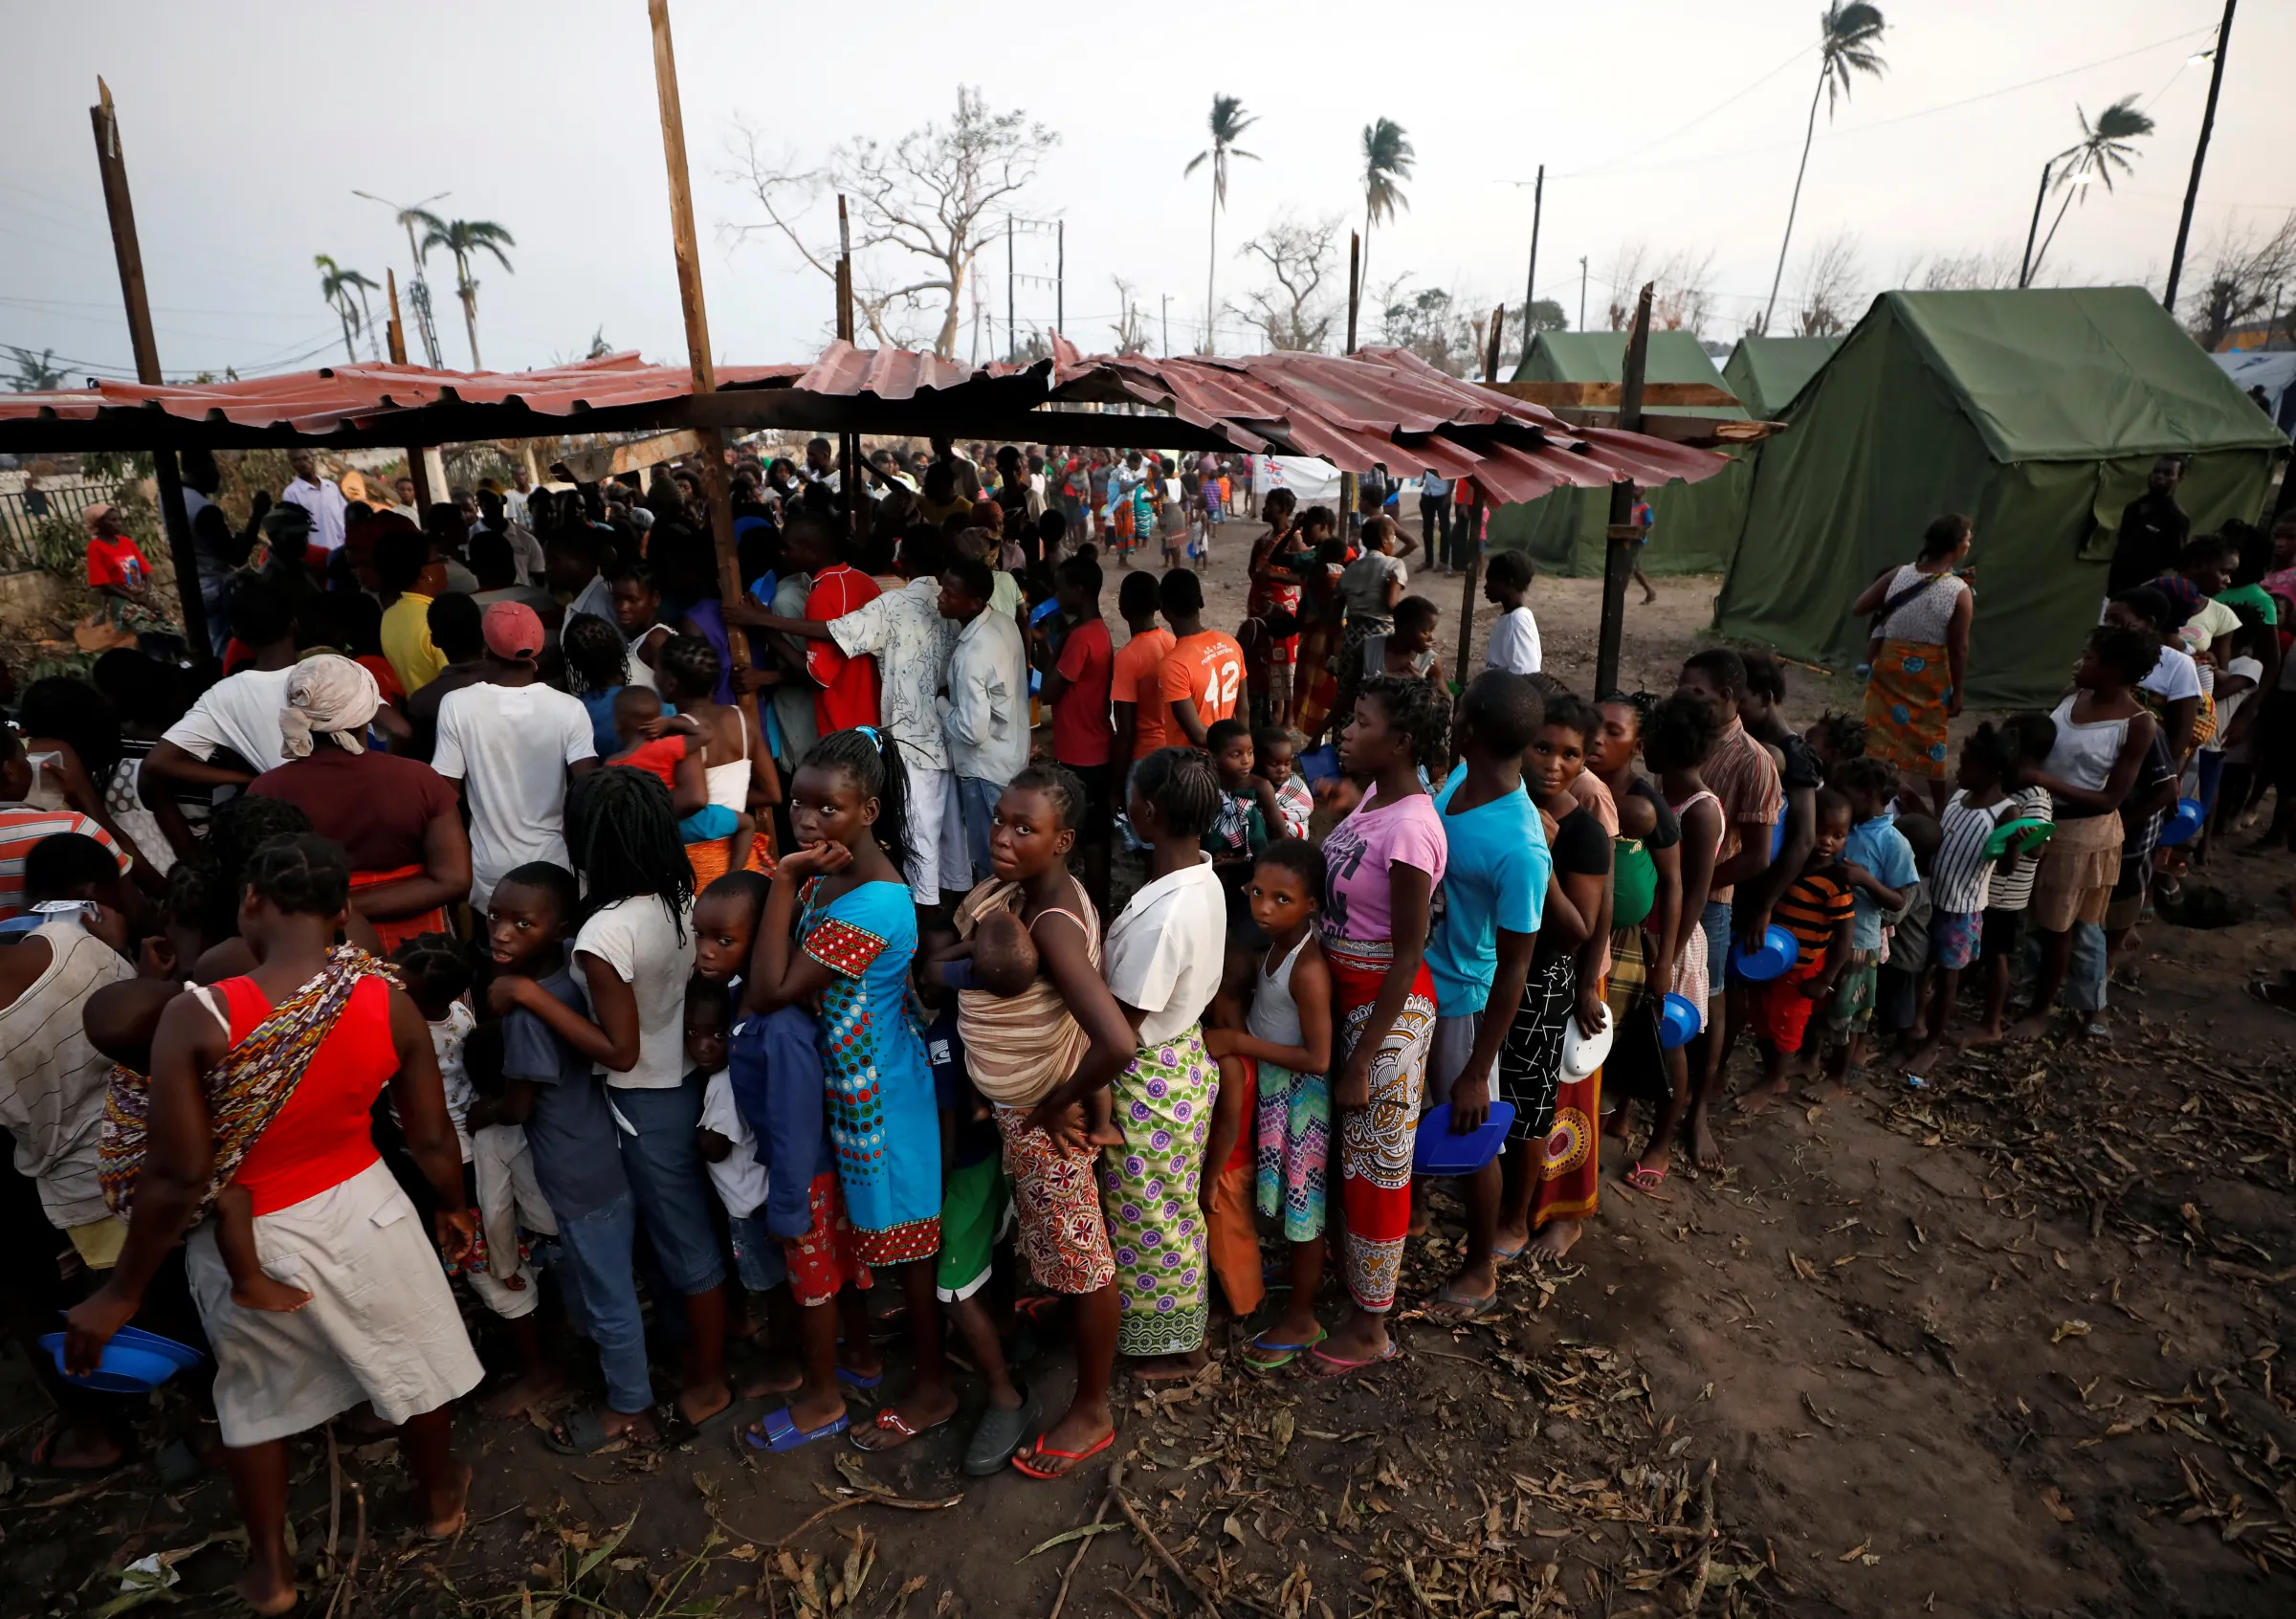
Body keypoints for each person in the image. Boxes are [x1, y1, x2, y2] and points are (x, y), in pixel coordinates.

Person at [67, 835, 481, 1614]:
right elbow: (429, 1135)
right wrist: (453, 1205)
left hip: (249, 1232)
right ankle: (438, 1500)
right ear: (343, 911)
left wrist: (122, 1291)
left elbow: (178, 1175)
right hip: (368, 1209)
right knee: (415, 1366)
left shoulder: (200, 1017)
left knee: (253, 1401)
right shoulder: (381, 998)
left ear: (250, 903)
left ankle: (272, 1574)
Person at [489, 769, 732, 1433]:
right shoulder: (680, 896)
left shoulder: (604, 935)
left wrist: (532, 995)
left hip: (643, 1099)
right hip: (683, 1082)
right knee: (685, 1238)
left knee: (688, 1247)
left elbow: (618, 1050)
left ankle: (709, 1383)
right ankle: (694, 1358)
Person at [741, 729, 953, 1451]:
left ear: (867, 810)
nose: (805, 821)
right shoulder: (828, 876)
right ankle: (866, 1361)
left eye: (825, 809)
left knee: (912, 1254)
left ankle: (932, 1389)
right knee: (866, 1240)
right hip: (848, 1086)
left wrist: (778, 883)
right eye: (798, 805)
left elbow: (770, 989)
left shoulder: (877, 905)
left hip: (885, 1102)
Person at [926, 765, 1136, 1472]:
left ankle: (1091, 1409)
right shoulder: (1024, 897)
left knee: (1084, 1262)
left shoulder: (1051, 925)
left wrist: (1054, 1103)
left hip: (1044, 1120)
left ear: (1064, 839)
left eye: (1026, 828)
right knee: (1056, 1245)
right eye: (1000, 821)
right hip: (1018, 1112)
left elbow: (1117, 1041)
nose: (1004, 836)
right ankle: (1052, 1325)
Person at [1290, 676, 1448, 1370]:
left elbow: (1408, 948)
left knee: (1378, 1166)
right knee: (1348, 1155)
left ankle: (1371, 1322)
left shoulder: (1413, 825)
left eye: (1359, 722)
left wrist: (1361, 1061)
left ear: (1401, 741)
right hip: (1345, 994)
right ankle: (1340, 1275)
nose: (1344, 734)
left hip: (1388, 1009)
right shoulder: (1377, 797)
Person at [476, 862, 654, 1440]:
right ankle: (605, 1365)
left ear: (559, 929)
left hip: (577, 1175)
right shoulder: (574, 975)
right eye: (496, 917)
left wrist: (486, 1110)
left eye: (521, 923)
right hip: (601, 1152)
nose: (501, 932)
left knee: (609, 1294)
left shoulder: (530, 1015)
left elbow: (520, 1107)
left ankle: (629, 1404)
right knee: (602, 1279)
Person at [1421, 672, 1552, 1319]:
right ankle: (1413, 1217)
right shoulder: (1459, 781)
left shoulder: (1521, 847)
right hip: (1422, 983)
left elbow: (1515, 967)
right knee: (1420, 1115)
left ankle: (1479, 1271)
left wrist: (1478, 1071)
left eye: (1459, 710)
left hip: (1465, 1005)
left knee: (1475, 1139)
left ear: (1469, 729)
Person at [747, 530, 960, 909]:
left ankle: (916, 927)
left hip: (908, 740)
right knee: (948, 842)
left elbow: (834, 631)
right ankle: (943, 918)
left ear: (905, 559)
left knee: (917, 842)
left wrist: (764, 622)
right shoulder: (957, 606)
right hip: (950, 736)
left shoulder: (894, 603)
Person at [1491, 691, 1609, 1262]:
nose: (1553, 764)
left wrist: (1542, 854)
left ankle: (1515, 1217)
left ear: (1585, 762)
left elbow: (1577, 929)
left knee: (1528, 1106)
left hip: (1540, 983)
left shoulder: (1581, 833)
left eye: (1570, 755)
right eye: (1542, 747)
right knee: (1478, 1091)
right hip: (1482, 969)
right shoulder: (1497, 800)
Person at [246, 656, 469, 951]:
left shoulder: (266, 790)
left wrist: (332, 909)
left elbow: (259, 889)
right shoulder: (419, 779)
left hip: (318, 947)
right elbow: (454, 879)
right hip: (418, 950)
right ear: (367, 709)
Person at [1210, 840, 1335, 1361]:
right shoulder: (1275, 948)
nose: (1263, 907)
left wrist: (1239, 1043)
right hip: (1274, 1088)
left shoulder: (1306, 968)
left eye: (1281, 899)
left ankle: (1303, 1319)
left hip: (1301, 1100)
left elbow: (1319, 1057)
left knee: (1305, 1214)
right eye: (1257, 893)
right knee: (1288, 1203)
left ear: (1311, 905)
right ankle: (1289, 1277)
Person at [1673, 651, 1778, 1164]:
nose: (1682, 697)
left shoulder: (1753, 761)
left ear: (1728, 697)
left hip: (1711, 902)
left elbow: (1758, 854)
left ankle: (1697, 1114)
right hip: (1664, 892)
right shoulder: (1679, 741)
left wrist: (1693, 885)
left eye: (1695, 692)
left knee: (1708, 1004)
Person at [431, 603, 601, 911]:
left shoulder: (457, 705)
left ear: (485, 649)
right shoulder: (569, 708)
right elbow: (587, 789)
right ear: (537, 648)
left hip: (493, 871)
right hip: (556, 866)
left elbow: (444, 793)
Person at [1906, 725, 2019, 1071]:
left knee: (1948, 976)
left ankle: (1933, 1042)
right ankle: (1916, 1025)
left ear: (1993, 774)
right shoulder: (1958, 795)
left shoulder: (2006, 812)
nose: (1958, 771)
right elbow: (1940, 836)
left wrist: (2015, 841)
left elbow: (2006, 869)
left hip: (1962, 909)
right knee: (1920, 968)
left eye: (1967, 767)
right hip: (1931, 897)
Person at [1851, 514, 1974, 811]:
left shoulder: (1898, 575)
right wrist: (1957, 692)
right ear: (1956, 547)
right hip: (1930, 677)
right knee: (1931, 740)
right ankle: (1941, 810)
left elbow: (1860, 607)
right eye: (1968, 540)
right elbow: (1959, 649)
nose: (1969, 545)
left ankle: (1868, 796)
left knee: (1878, 734)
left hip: (1889, 671)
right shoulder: (1959, 591)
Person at [143, 579, 302, 803]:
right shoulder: (335, 671)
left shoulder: (224, 695)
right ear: (293, 622)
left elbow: (157, 762)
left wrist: (248, 780)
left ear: (236, 633)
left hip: (291, 816)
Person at [1809, 757, 1915, 1094]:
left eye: (1845, 792)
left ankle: (1838, 1076)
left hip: (1860, 940)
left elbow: (1899, 901)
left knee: (1848, 1009)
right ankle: (1809, 1057)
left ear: (1868, 795)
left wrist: (1866, 880)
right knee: (1817, 999)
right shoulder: (1844, 826)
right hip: (1823, 930)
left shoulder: (1893, 842)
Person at [1745, 790, 1856, 1093]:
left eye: (1838, 835)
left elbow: (1845, 936)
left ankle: (1773, 1080)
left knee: (1787, 1028)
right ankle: (1773, 1073)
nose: (1827, 841)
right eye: (1820, 832)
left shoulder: (1836, 883)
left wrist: (1825, 980)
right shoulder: (1788, 868)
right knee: (1764, 1021)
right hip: (1769, 963)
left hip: (1802, 970)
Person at [652, 634, 778, 888]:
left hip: (696, 863)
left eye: (657, 671)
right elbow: (772, 793)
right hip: (742, 860)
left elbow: (693, 798)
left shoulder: (682, 731)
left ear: (671, 683)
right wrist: (732, 801)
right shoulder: (742, 719)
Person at [941, 555, 1031, 889]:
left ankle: (993, 926)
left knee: (989, 859)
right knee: (1012, 853)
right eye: (942, 589)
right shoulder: (1004, 623)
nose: (940, 598)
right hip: (1010, 756)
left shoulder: (971, 654)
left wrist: (940, 703)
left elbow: (971, 730)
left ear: (974, 602)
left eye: (950, 593)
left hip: (983, 768)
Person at [1041, 551, 1116, 910]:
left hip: (1079, 755)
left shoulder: (1081, 638)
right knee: (1094, 838)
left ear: (1080, 591)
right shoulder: (1097, 632)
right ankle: (1097, 909)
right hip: (1094, 747)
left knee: (1083, 839)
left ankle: (1084, 910)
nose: (1056, 597)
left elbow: (1049, 690)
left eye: (1061, 589)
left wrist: (1047, 646)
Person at [1107, 569, 1176, 817]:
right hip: (1176, 753)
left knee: (1147, 840)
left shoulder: (1127, 658)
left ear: (1122, 607)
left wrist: (1116, 788)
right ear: (1157, 605)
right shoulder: (1173, 643)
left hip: (1144, 761)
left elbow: (1125, 731)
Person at [1155, 569, 1245, 748]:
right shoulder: (1230, 643)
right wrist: (1240, 752)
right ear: (1201, 602)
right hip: (1229, 760)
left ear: (1164, 611)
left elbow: (1197, 734)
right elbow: (1244, 711)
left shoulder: (1174, 664)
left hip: (1193, 768)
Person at [375, 528, 450, 695]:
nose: (445, 566)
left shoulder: (389, 616)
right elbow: (457, 683)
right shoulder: (438, 620)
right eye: (441, 560)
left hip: (417, 713)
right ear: (426, 573)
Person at [2108, 456, 2189, 598]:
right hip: (2116, 587)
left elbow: (2175, 561)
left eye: (2168, 473)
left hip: (2145, 592)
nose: (2160, 476)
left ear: (2179, 479)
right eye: (2157, 471)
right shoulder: (2133, 508)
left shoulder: (2175, 517)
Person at [607, 563, 674, 692]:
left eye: (632, 600)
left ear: (655, 599)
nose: (622, 608)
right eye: (617, 599)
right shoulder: (641, 637)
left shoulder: (658, 640)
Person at [278, 448, 348, 559]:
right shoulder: (292, 493)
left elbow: (345, 515)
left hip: (343, 550)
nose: (302, 463)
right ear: (291, 463)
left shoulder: (330, 487)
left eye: (305, 458)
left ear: (313, 458)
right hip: (318, 556)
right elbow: (295, 531)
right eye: (296, 460)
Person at [1483, 551, 1542, 675]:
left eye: (1491, 581)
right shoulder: (1509, 618)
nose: (1485, 587)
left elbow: (1525, 675)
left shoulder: (1517, 620)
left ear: (1509, 582)